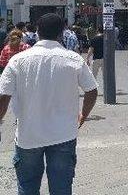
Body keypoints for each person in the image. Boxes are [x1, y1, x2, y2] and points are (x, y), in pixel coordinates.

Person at [0, 13, 98, 195]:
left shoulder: (18, 60)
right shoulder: (73, 59)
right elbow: (91, 90)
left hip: (28, 136)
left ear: (37, 32)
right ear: (61, 34)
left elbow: (3, 96)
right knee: (61, 188)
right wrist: (83, 115)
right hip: (63, 135)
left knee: (27, 188)